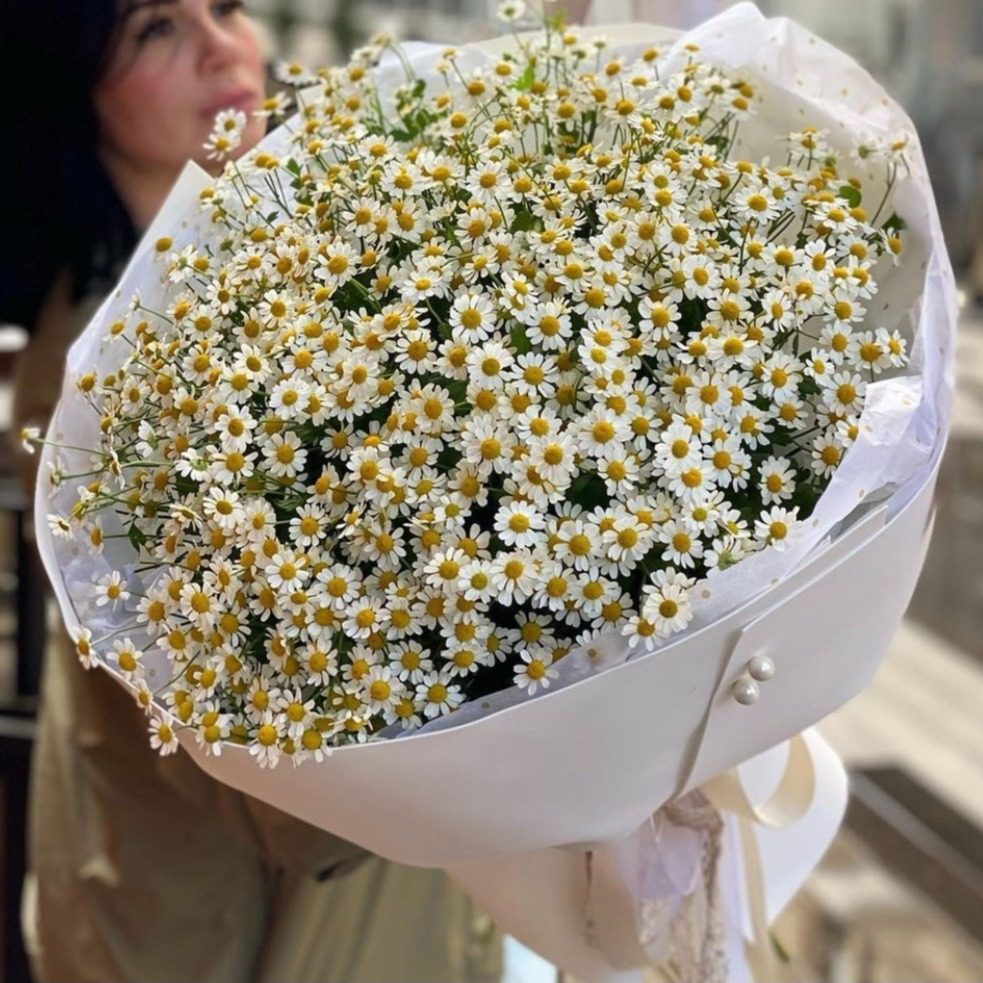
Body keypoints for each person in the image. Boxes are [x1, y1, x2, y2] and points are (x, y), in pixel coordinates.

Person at [0, 2, 501, 981]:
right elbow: (289, 788)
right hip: (205, 918)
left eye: (224, 5)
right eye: (154, 30)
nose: (221, 47)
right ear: (72, 94)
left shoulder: (284, 259)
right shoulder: (91, 395)